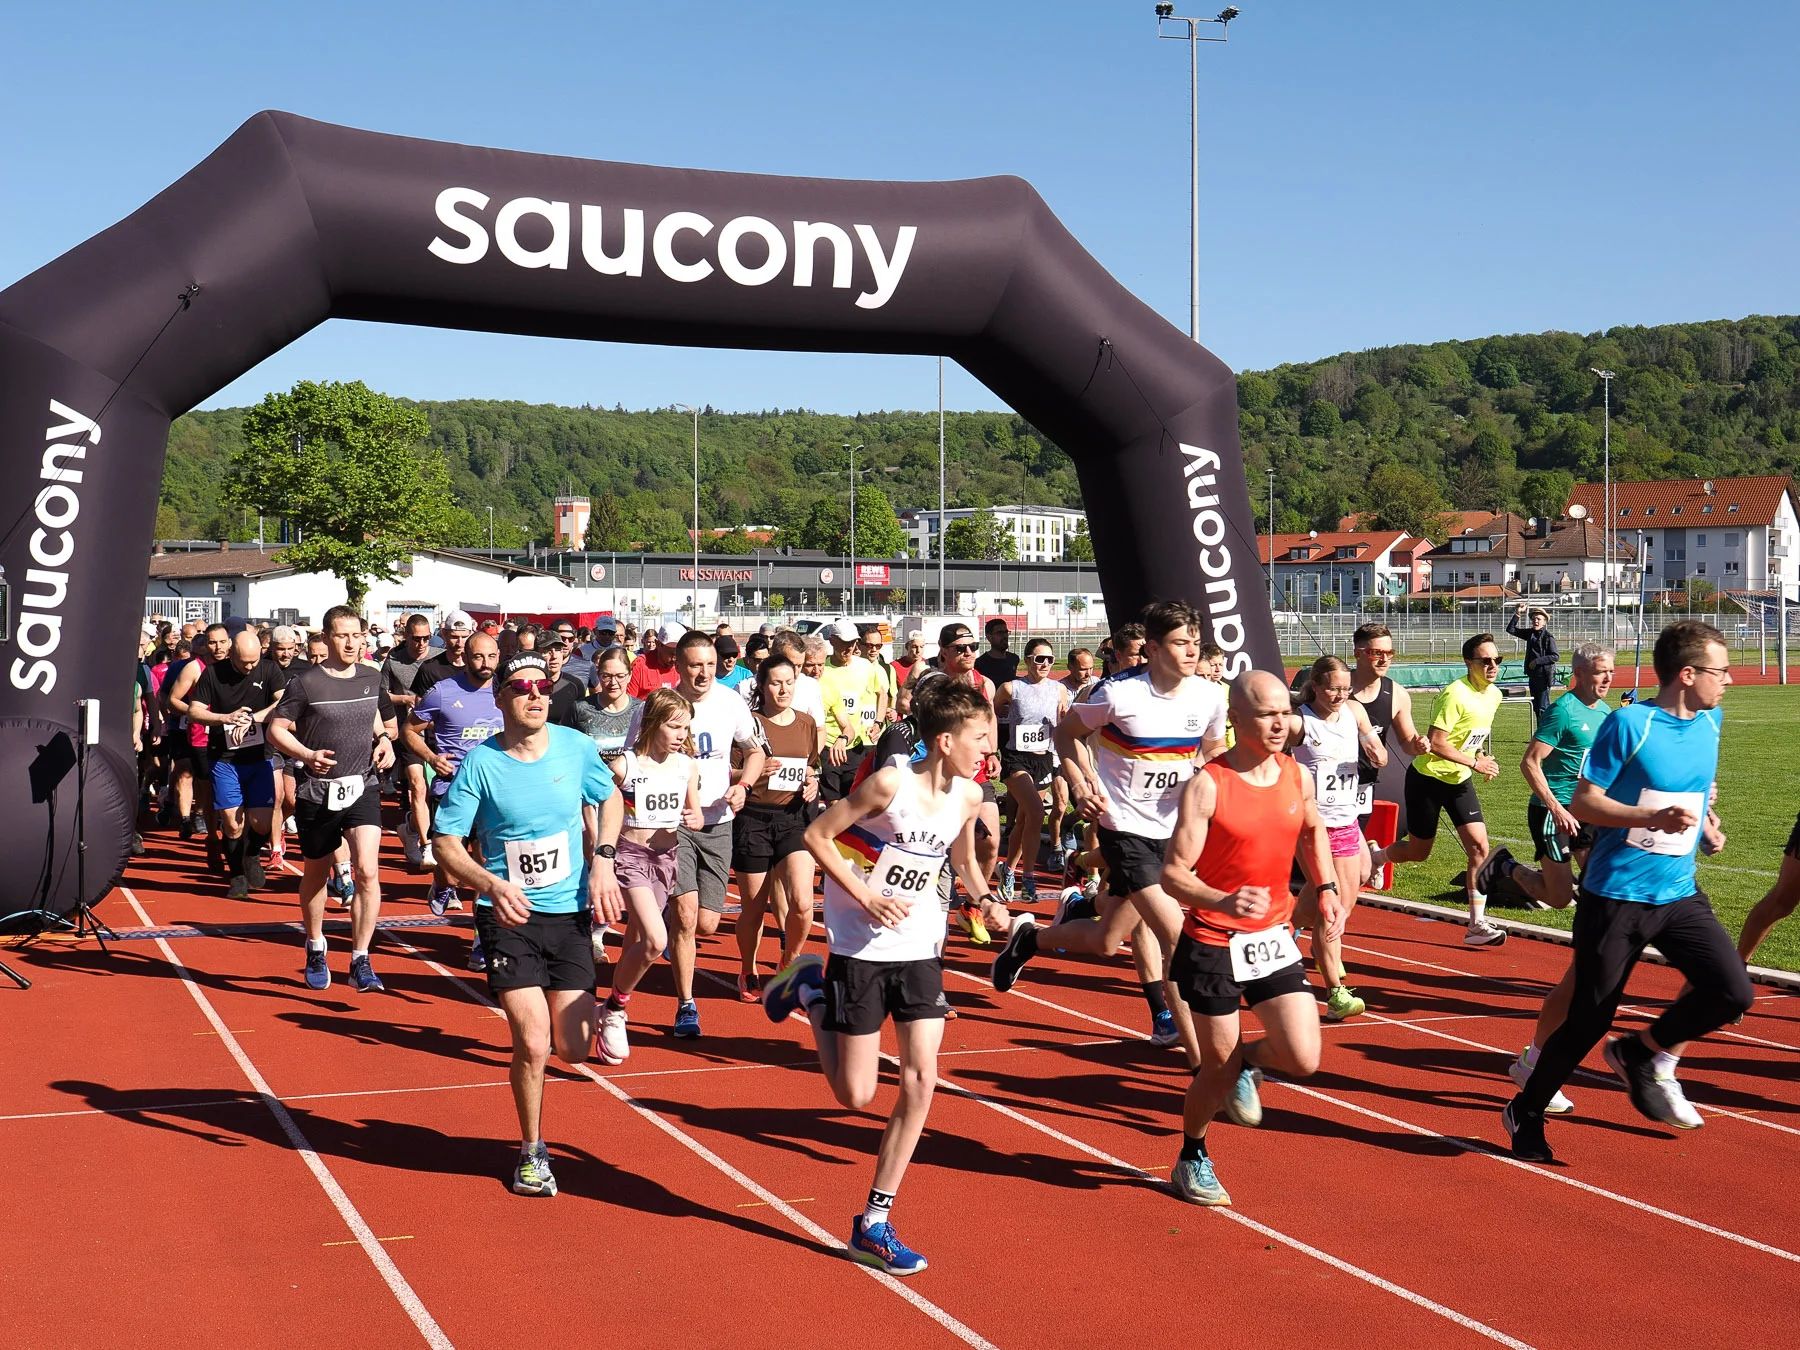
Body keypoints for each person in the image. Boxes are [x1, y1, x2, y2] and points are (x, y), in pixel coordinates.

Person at [762, 678, 996, 1276]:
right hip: (860, 946)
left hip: (919, 947)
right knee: (856, 1095)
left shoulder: (969, 796)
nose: (987, 748)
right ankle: (809, 989)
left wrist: (984, 899)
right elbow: (817, 836)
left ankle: (874, 1221)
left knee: (922, 1079)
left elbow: (962, 860)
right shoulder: (890, 784)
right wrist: (865, 895)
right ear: (945, 741)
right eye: (979, 737)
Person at [1504, 621, 1751, 1162]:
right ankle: (1528, 1109)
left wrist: (1707, 826)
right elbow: (1585, 802)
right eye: (1721, 671)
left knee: (1733, 992)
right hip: (1615, 895)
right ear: (1688, 674)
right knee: (1589, 1020)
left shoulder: (1711, 722)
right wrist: (1651, 818)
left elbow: (1694, 789)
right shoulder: (1630, 724)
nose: (1730, 680)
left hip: (1678, 893)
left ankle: (1641, 1053)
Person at [991, 602, 1227, 1062]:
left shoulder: (1209, 697)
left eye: (1196, 644)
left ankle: (1030, 938)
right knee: (1175, 936)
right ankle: (1206, 1063)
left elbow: (1214, 748)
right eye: (1180, 643)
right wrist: (1082, 784)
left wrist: (1211, 776)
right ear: (1153, 649)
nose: (1190, 652)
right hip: (1124, 829)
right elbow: (1065, 735)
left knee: (1105, 941)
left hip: (1176, 830)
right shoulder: (1118, 694)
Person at [432, 651, 625, 1197]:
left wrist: (604, 860)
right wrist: (491, 884)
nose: (535, 694)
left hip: (569, 915)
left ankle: (605, 1012)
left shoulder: (576, 747)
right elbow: (445, 842)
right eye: (521, 686)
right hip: (508, 918)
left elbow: (611, 797)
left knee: (574, 1049)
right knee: (535, 1043)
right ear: (500, 699)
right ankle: (532, 1151)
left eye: (542, 685)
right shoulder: (481, 763)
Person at [1158, 669, 1343, 1206]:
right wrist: (1222, 900)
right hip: (1214, 941)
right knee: (1216, 1070)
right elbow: (1173, 874)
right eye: (1267, 715)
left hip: (1272, 938)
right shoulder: (1208, 785)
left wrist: (1326, 887)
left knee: (1303, 1057)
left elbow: (1312, 829)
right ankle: (1192, 1154)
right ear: (1236, 719)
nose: (1280, 724)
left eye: (1285, 712)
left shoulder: (1295, 775)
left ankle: (1248, 1063)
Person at [1471, 643, 1615, 1114]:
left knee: (1593, 887)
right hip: (1554, 812)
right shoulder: (1562, 711)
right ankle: (1506, 868)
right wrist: (1554, 806)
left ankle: (1591, 940)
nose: (1606, 679)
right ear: (1579, 673)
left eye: (1610, 672)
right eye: (1599, 672)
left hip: (1588, 811)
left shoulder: (1606, 712)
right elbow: (1530, 763)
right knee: (1557, 898)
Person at [267, 606, 399, 992]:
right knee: (316, 873)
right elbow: (276, 729)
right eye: (342, 636)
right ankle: (315, 945)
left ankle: (360, 959)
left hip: (362, 785)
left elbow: (376, 717)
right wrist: (307, 755)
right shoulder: (306, 683)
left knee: (368, 871)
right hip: (317, 791)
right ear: (326, 638)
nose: (351, 643)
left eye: (357, 635)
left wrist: (385, 740)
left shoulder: (371, 676)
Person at [649, 630, 765, 1038]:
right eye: (696, 665)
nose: (704, 673)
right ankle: (686, 1004)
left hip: (719, 822)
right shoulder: (659, 704)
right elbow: (635, 755)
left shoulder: (731, 702)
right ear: (678, 665)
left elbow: (755, 751)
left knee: (708, 924)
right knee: (686, 915)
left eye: (710, 665)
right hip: (674, 823)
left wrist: (744, 785)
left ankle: (669, 920)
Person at [1370, 633, 1507, 947]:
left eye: (1497, 660)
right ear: (1469, 663)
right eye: (1485, 660)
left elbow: (1471, 736)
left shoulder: (1494, 695)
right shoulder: (1454, 694)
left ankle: (1476, 925)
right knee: (1418, 853)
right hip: (1427, 780)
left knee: (1479, 848)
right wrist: (1475, 763)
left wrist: (1481, 757)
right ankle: (1378, 857)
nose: (1492, 666)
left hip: (1459, 781)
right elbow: (1436, 743)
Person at [594, 688, 704, 1065]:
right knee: (657, 940)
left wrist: (695, 817)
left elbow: (695, 812)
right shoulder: (625, 765)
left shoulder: (686, 766)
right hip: (630, 856)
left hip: (666, 859)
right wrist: (599, 847)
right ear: (653, 724)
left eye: (685, 728)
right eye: (673, 727)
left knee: (637, 940)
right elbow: (595, 800)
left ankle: (612, 1010)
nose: (680, 735)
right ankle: (614, 1008)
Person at [1287, 655, 1387, 1020]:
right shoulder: (1300, 722)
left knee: (1348, 889)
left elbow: (1378, 753)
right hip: (1314, 825)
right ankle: (1335, 994)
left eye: (1345, 688)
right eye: (1333, 689)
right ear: (1315, 686)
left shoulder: (1354, 712)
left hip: (1347, 819)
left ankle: (1283, 928)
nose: (1340, 695)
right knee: (1332, 908)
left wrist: (1374, 750)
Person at [406, 632, 504, 966]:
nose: (485, 664)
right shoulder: (443, 692)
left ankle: (480, 941)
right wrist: (431, 758)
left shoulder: (506, 692)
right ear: (466, 657)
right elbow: (408, 730)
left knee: (486, 867)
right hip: (451, 789)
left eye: (491, 657)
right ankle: (442, 885)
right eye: (478, 657)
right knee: (450, 870)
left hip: (492, 793)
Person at [732, 654, 820, 996]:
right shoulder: (748, 723)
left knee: (803, 903)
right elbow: (726, 771)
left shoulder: (806, 723)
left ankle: (789, 962)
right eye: (775, 683)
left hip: (794, 819)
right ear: (762, 686)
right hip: (752, 819)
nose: (783, 690)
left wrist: (812, 782)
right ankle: (748, 969)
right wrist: (752, 772)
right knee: (754, 908)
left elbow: (810, 767)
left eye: (789, 682)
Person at [187, 631, 289, 898]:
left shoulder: (269, 669)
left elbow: (283, 702)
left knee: (262, 823)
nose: (250, 667)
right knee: (232, 824)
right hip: (225, 758)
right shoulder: (212, 673)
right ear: (231, 654)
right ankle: (237, 876)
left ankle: (252, 853)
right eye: (244, 662)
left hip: (259, 757)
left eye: (254, 661)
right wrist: (226, 718)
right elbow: (194, 711)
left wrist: (254, 718)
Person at [925, 623, 1009, 942]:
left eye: (972, 647)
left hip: (975, 774)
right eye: (960, 648)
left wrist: (992, 752)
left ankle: (972, 906)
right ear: (944, 651)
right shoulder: (935, 684)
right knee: (943, 846)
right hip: (942, 775)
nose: (969, 653)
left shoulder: (984, 683)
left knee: (990, 841)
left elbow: (990, 720)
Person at [992, 637, 1070, 904]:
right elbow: (989, 714)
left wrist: (1064, 726)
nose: (1045, 664)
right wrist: (991, 748)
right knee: (1037, 812)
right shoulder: (1011, 688)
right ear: (1027, 660)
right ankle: (1028, 878)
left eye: (1050, 659)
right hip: (1017, 759)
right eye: (1039, 659)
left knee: (1025, 821)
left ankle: (1008, 870)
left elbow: (1062, 723)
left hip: (1044, 759)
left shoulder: (1058, 689)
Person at [1347, 623, 1432, 857]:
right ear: (1357, 653)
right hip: (1329, 782)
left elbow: (1407, 741)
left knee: (1351, 850)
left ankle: (1369, 859)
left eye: (1389, 653)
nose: (1384, 659)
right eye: (1376, 653)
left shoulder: (1397, 694)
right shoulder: (1338, 688)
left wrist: (1418, 745)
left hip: (1365, 784)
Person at [384, 613, 439, 871]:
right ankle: (427, 846)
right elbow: (382, 695)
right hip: (410, 732)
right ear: (406, 636)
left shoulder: (439, 657)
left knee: (435, 793)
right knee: (418, 787)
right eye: (416, 639)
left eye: (426, 638)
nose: (421, 644)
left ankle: (410, 828)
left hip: (438, 733)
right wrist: (405, 700)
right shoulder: (393, 661)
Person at [819, 619, 887, 801]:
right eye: (844, 642)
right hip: (828, 746)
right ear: (832, 640)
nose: (849, 647)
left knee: (854, 800)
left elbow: (882, 693)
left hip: (855, 745)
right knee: (833, 802)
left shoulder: (865, 666)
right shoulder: (821, 669)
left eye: (853, 642)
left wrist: (878, 723)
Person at [569, 646, 640, 757]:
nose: (613, 682)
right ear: (598, 675)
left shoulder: (641, 710)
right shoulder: (579, 709)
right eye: (606, 676)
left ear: (629, 676)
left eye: (620, 676)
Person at [1507, 604, 1561, 729]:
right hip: (1533, 676)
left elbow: (1555, 656)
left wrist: (1537, 661)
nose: (1536, 621)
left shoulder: (1548, 637)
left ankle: (1545, 733)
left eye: (1539, 619)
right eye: (1534, 619)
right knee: (1536, 707)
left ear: (1544, 622)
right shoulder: (1530, 633)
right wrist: (1518, 613)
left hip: (1544, 676)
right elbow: (1511, 629)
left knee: (1543, 707)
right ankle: (1540, 733)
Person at [628, 620, 686, 699]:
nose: (675, 659)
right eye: (672, 654)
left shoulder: (685, 666)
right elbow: (629, 701)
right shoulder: (640, 666)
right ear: (658, 644)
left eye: (679, 654)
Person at [540, 634, 587, 727]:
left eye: (558, 650)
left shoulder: (575, 685)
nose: (554, 656)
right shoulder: (527, 686)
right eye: (547, 651)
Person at [974, 618, 1020, 688]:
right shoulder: (979, 664)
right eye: (1000, 633)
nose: (1005, 636)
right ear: (989, 637)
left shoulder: (1014, 659)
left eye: (1006, 632)